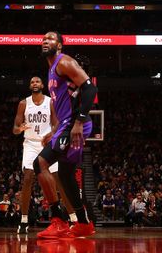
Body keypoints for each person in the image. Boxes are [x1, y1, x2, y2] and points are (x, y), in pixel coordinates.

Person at [34, 31, 98, 239]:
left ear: (60, 46)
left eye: (51, 39)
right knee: (65, 175)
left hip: (75, 124)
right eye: (43, 39)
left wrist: (78, 122)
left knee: (40, 164)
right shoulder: (51, 68)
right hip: (66, 125)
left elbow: (89, 89)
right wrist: (54, 131)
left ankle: (58, 220)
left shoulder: (64, 62)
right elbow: (63, 103)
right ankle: (83, 223)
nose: (45, 41)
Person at [12, 76, 76, 233]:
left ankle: (73, 217)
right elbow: (15, 128)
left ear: (42, 85)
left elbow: (57, 123)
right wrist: (19, 129)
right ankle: (24, 220)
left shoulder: (50, 102)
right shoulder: (23, 104)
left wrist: (52, 134)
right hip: (30, 144)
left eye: (37, 81)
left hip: (47, 144)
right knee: (27, 178)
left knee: (58, 180)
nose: (35, 83)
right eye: (32, 82)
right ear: (29, 86)